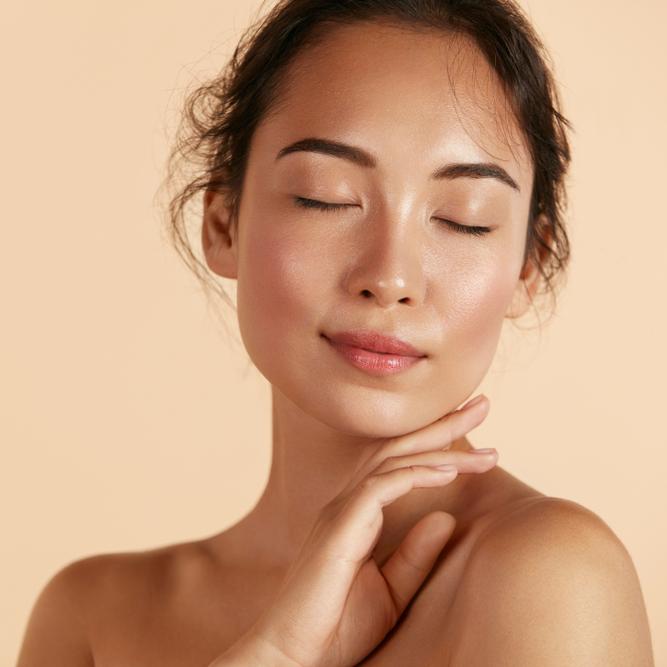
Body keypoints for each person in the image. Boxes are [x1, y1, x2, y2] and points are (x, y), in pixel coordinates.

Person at [16, 1, 655, 665]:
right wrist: (274, 651)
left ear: (527, 265)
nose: (389, 276)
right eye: (325, 196)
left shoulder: (551, 576)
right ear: (223, 221)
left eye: (465, 219)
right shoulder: (94, 615)